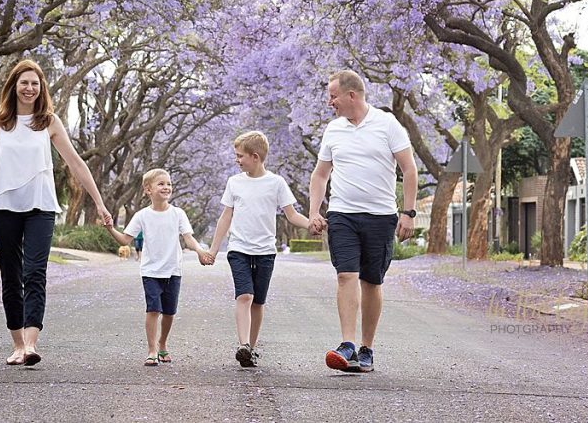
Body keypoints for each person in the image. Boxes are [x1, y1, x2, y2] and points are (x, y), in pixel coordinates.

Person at [0, 59, 112, 367]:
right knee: (11, 273)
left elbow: (76, 163)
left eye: (35, 84)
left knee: (35, 272)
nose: (30, 88)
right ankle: (17, 344)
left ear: (42, 89)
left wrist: (99, 201)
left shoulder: (49, 121)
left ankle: (30, 344)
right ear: (13, 86)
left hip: (40, 205)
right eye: (25, 83)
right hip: (3, 205)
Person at [308, 70, 418, 373]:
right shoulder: (333, 130)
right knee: (346, 275)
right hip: (342, 213)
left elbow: (409, 170)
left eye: (333, 96)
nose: (330, 102)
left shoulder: (387, 124)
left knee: (371, 281)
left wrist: (408, 213)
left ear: (351, 95)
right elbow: (320, 174)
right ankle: (347, 343)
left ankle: (367, 348)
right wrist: (314, 211)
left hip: (381, 216)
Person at [206, 131, 311, 368]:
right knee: (245, 295)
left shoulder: (276, 183)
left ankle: (250, 349)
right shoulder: (234, 182)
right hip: (239, 249)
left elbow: (291, 214)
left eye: (240, 156)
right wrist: (213, 250)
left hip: (265, 251)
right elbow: (226, 216)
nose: (237, 160)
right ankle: (243, 344)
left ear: (255, 157)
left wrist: (312, 224)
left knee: (258, 302)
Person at [105, 168, 211, 366]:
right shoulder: (142, 216)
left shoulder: (178, 214)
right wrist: (111, 228)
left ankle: (163, 343)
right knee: (153, 309)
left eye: (169, 184)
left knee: (169, 312)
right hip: (151, 271)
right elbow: (125, 240)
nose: (166, 187)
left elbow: (188, 238)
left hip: (173, 270)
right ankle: (152, 349)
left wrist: (199, 251)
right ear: (148, 189)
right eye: (161, 184)